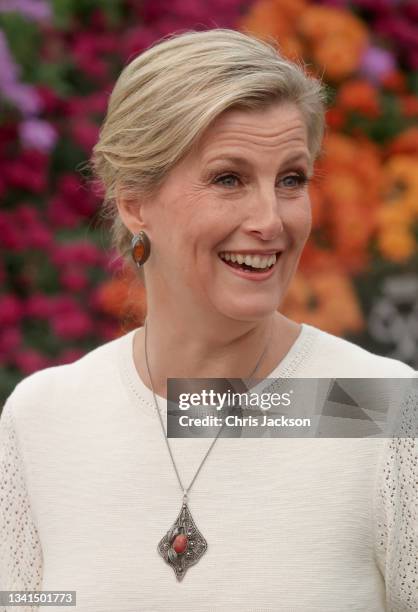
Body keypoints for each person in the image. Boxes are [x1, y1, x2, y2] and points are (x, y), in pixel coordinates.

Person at [0, 28, 416, 612]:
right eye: (229, 179)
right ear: (134, 199)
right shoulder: (44, 417)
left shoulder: (381, 408)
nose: (270, 220)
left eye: (291, 179)